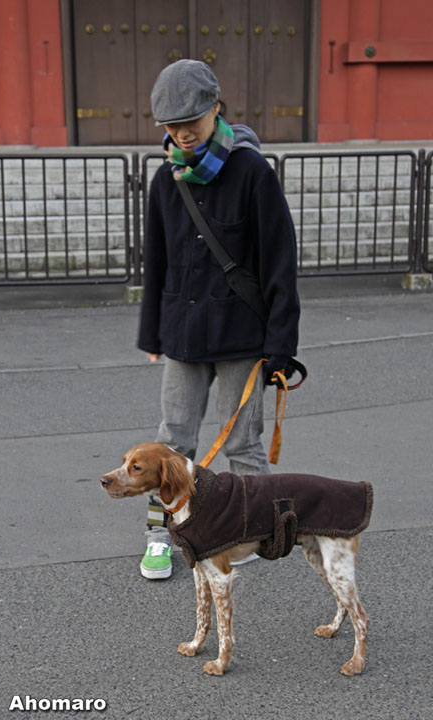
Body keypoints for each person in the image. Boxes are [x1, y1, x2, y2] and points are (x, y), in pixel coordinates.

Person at [137, 59, 300, 580]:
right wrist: (152, 332)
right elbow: (156, 259)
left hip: (240, 334)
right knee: (170, 444)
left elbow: (279, 261)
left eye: (191, 121)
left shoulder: (252, 172)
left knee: (242, 443)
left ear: (215, 108)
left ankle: (256, 529)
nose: (182, 133)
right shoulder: (165, 178)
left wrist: (281, 346)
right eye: (172, 125)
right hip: (183, 333)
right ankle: (159, 537)